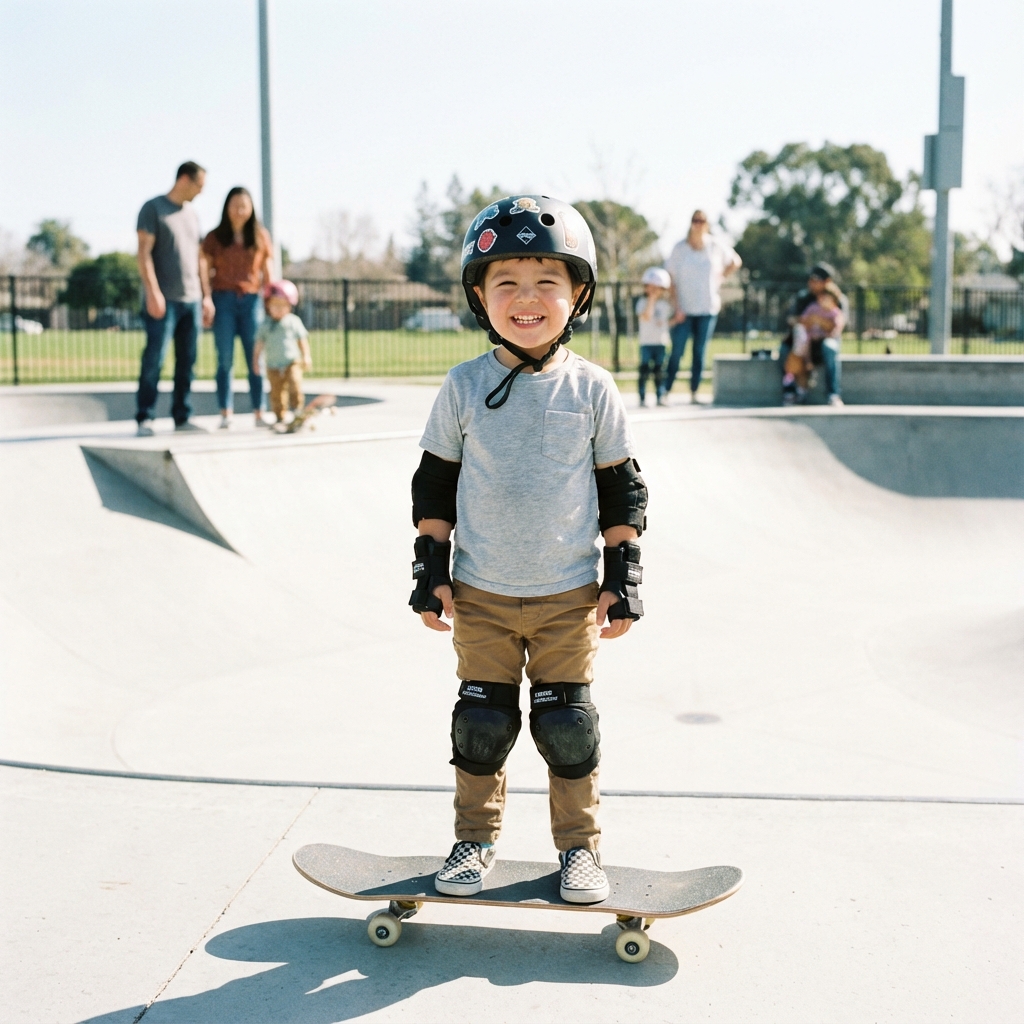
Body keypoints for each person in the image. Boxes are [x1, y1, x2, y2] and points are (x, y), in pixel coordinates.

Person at [410, 196, 648, 905]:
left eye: (547, 281)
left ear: (578, 296)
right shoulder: (463, 386)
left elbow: (620, 491)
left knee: (567, 727)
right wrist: (430, 571)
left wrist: (622, 578)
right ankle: (474, 841)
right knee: (480, 724)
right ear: (479, 296)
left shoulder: (592, 388)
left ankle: (580, 850)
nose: (526, 298)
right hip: (480, 593)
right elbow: (435, 484)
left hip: (567, 598)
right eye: (506, 282)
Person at [135, 161, 215, 435]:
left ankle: (182, 417)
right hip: (164, 300)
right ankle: (145, 416)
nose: (201, 192)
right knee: (154, 360)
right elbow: (143, 253)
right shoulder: (153, 208)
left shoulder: (192, 215)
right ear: (184, 180)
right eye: (199, 185)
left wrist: (206, 296)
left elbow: (200, 259)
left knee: (187, 362)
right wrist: (153, 292)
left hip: (191, 300)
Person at [201, 187, 275, 428]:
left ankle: (259, 412)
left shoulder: (260, 236)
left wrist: (271, 299)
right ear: (227, 207)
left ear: (251, 208)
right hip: (223, 299)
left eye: (244, 206)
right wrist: (206, 297)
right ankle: (226, 413)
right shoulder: (214, 237)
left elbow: (267, 270)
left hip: (251, 301)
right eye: (235, 205)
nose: (240, 211)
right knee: (225, 358)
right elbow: (204, 268)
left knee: (255, 357)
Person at [664, 210, 741, 403]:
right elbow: (671, 279)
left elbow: (736, 261)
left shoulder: (715, 245)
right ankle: (665, 391)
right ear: (691, 223)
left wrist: (721, 277)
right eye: (695, 220)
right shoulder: (679, 248)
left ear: (707, 224)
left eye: (702, 221)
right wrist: (676, 307)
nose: (698, 224)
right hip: (683, 311)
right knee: (677, 351)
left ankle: (694, 392)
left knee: (699, 352)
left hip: (707, 309)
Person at [778, 263, 848, 406]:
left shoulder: (837, 298)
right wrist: (807, 321)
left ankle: (833, 394)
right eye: (810, 279)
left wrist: (821, 322)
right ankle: (791, 391)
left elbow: (840, 324)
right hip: (805, 340)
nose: (811, 283)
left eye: (816, 280)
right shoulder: (804, 297)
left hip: (825, 339)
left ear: (827, 281)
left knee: (830, 347)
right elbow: (791, 319)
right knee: (784, 350)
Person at [253, 280, 310, 430]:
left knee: (295, 385)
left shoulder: (293, 322)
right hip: (272, 365)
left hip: (292, 362)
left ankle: (298, 412)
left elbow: (302, 340)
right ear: (268, 305)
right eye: (275, 305)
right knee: (276, 393)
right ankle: (280, 417)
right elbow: (258, 345)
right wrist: (255, 361)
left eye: (282, 305)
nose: (278, 309)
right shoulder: (265, 325)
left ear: (290, 305)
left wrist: (306, 356)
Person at [635, 267, 673, 407]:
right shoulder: (642, 303)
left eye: (656, 288)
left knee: (659, 371)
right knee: (644, 370)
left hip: (661, 342)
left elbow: (668, 320)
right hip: (646, 342)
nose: (652, 290)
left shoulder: (665, 305)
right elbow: (646, 316)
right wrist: (651, 299)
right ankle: (642, 397)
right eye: (650, 287)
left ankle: (660, 396)